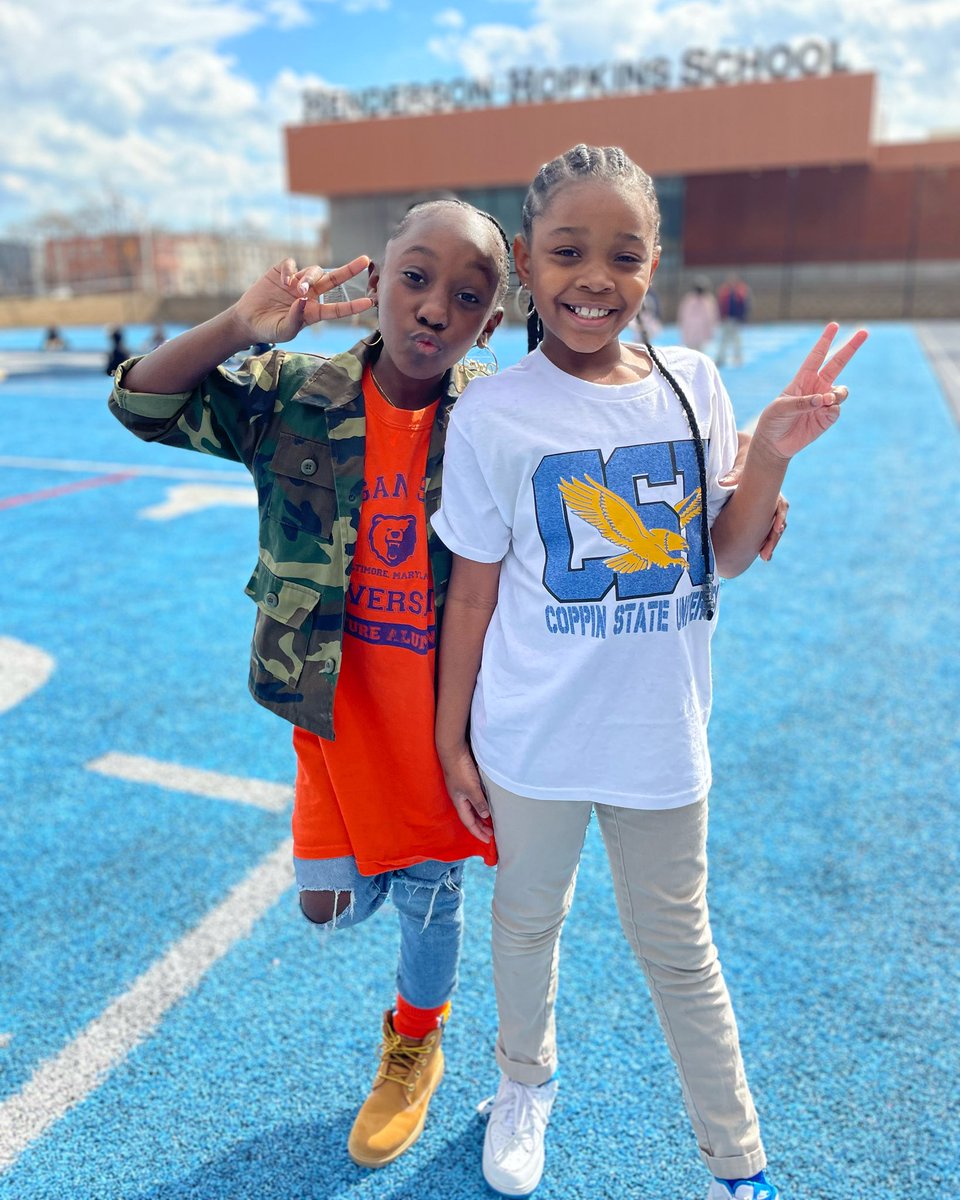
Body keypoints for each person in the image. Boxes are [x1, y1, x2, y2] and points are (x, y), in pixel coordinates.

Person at [431, 145, 867, 1200]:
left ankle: (737, 1165)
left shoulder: (694, 383)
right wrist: (451, 736)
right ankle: (524, 1085)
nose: (596, 277)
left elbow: (716, 559)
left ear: (654, 265)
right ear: (528, 264)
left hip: (663, 737)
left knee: (681, 951)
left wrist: (767, 457)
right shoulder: (491, 412)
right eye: (569, 252)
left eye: (623, 255)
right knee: (527, 922)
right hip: (531, 736)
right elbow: (476, 593)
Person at [107, 198, 512, 1168]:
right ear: (375, 283)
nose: (432, 309)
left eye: (466, 296)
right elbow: (140, 404)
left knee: (429, 898)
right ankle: (386, 876)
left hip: (449, 726)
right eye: (414, 278)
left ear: (489, 324)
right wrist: (240, 328)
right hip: (330, 718)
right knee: (330, 907)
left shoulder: (499, 424)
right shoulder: (294, 394)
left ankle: (416, 1040)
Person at [716, 272, 752, 368]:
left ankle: (738, 357)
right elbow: (720, 305)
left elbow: (745, 305)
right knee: (724, 340)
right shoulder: (724, 292)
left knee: (737, 340)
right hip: (727, 319)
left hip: (736, 320)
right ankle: (720, 358)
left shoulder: (741, 291)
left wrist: (743, 317)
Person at [678, 275, 720, 352]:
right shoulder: (689, 300)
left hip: (701, 333)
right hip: (691, 332)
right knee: (690, 352)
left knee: (700, 352)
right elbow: (684, 316)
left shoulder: (708, 300)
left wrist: (710, 331)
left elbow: (711, 317)